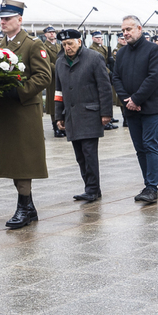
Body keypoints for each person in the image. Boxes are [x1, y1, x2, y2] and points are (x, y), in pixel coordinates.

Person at [0, 0, 53, 229]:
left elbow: (43, 76)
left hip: (24, 111)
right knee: (12, 159)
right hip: (6, 112)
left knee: (24, 160)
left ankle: (24, 207)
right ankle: (29, 206)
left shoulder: (32, 44)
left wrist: (18, 92)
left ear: (20, 19)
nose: (3, 22)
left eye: (8, 18)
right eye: (1, 18)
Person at [54, 28, 112, 203]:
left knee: (89, 153)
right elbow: (58, 91)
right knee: (79, 155)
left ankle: (93, 189)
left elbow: (104, 87)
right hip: (71, 115)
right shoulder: (60, 62)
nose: (67, 48)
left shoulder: (94, 58)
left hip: (90, 114)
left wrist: (106, 113)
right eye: (64, 45)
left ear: (79, 42)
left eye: (70, 43)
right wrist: (59, 115)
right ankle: (90, 187)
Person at [113, 15, 158, 204]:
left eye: (129, 29)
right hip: (130, 108)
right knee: (140, 148)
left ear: (139, 29)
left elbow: (153, 77)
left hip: (150, 107)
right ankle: (147, 183)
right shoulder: (122, 53)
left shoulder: (153, 50)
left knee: (150, 145)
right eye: (123, 30)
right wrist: (127, 100)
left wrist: (136, 98)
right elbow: (116, 78)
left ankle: (152, 187)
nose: (125, 33)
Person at [42, 26, 65, 138]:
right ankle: (55, 126)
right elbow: (47, 62)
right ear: (45, 35)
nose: (52, 34)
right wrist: (59, 68)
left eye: (53, 32)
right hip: (53, 77)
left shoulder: (58, 46)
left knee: (63, 100)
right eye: (49, 32)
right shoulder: (43, 46)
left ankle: (63, 125)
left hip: (63, 76)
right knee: (53, 102)